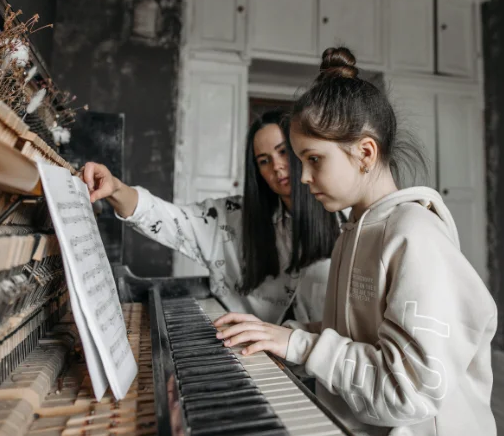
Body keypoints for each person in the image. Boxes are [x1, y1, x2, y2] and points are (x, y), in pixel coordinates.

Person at [214, 48, 497, 435]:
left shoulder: (415, 236)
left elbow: (408, 391)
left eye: (313, 160)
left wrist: (298, 346)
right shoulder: (354, 229)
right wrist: (283, 335)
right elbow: (355, 337)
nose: (303, 178)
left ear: (365, 153)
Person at [81, 110, 343, 325]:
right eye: (264, 160)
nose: (276, 166)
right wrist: (115, 188)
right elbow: (171, 218)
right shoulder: (232, 217)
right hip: (252, 356)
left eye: (283, 151)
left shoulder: (345, 223)